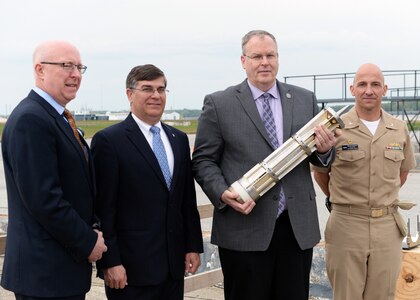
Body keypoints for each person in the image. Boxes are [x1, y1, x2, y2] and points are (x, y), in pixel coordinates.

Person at [192, 30, 337, 300]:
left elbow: (317, 157)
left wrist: (326, 150)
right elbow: (203, 161)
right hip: (244, 229)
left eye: (270, 55)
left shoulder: (305, 99)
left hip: (296, 230)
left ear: (278, 59)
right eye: (256, 56)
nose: (264, 62)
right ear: (243, 60)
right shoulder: (219, 103)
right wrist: (222, 193)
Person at [0, 40, 108, 300]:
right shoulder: (31, 119)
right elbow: (44, 199)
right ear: (40, 70)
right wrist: (88, 242)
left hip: (60, 271)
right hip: (45, 274)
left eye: (79, 67)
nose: (76, 74)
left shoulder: (56, 117)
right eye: (66, 66)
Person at [91, 64, 203, 300]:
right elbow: (104, 208)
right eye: (147, 89)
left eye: (161, 89)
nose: (156, 95)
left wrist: (192, 246)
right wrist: (111, 262)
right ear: (130, 94)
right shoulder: (109, 141)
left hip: (173, 269)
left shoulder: (178, 139)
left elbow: (185, 200)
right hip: (131, 272)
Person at [313, 63, 416, 300]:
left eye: (375, 84)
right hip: (346, 226)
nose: (368, 90)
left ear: (384, 89)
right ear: (352, 89)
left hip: (387, 227)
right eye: (362, 84)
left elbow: (402, 173)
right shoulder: (334, 130)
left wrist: (379, 201)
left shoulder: (398, 129)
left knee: (383, 295)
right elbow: (320, 173)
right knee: (346, 295)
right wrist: (349, 202)